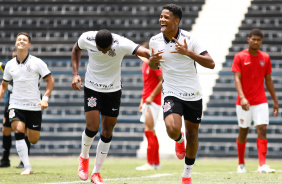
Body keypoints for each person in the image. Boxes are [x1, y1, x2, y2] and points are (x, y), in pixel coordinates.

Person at [72, 29, 150, 184]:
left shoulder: (121, 43)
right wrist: (75, 73)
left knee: (107, 131)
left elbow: (143, 51)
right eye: (100, 49)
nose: (103, 52)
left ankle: (96, 173)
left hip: (113, 90)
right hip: (92, 87)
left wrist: (155, 55)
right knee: (93, 127)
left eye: (106, 49)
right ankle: (84, 157)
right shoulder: (86, 38)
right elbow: (76, 50)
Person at [148, 4, 215, 184]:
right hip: (171, 91)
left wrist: (188, 52)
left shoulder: (190, 39)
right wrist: (152, 62)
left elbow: (211, 63)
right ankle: (179, 140)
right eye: (161, 16)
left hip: (193, 93)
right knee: (172, 128)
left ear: (176, 21)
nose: (161, 19)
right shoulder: (154, 40)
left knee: (193, 134)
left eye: (166, 17)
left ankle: (186, 174)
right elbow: (154, 66)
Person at [0, 32, 55, 175]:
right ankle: (27, 166)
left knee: (33, 139)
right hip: (16, 104)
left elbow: (50, 81)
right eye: (19, 39)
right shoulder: (10, 65)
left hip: (34, 105)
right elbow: (4, 85)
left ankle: (26, 160)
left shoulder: (37, 62)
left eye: (24, 40)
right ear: (15, 43)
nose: (21, 41)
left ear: (29, 44)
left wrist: (45, 99)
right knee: (18, 130)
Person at [231, 29, 279, 173]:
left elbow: (268, 80)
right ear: (248, 39)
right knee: (243, 132)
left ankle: (262, 165)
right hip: (243, 103)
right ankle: (241, 164)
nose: (256, 42)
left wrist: (275, 100)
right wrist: (243, 97)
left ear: (261, 41)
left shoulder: (265, 57)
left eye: (258, 40)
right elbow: (236, 78)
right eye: (253, 39)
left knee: (262, 129)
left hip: (261, 101)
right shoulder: (239, 56)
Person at [0, 49, 31, 169]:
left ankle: (24, 161)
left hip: (25, 103)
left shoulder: (29, 66)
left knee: (24, 131)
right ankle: (5, 158)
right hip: (10, 103)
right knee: (5, 130)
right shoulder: (8, 66)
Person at [135, 41, 163, 171]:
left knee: (149, 131)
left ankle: (150, 163)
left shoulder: (155, 65)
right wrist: (142, 99)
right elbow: (146, 84)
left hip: (152, 101)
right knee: (152, 131)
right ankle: (156, 163)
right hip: (147, 101)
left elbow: (163, 80)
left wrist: (151, 97)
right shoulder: (144, 65)